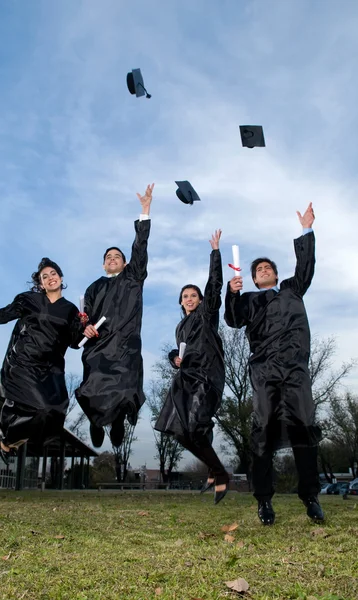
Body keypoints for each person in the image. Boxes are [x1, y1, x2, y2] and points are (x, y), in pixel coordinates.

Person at [225, 203, 323, 524]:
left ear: (277, 275)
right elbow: (232, 319)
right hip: (264, 373)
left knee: (304, 430)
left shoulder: (293, 291)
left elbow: (306, 264)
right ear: (253, 279)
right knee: (263, 434)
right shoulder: (250, 301)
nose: (264, 270)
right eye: (258, 270)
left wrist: (306, 230)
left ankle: (310, 496)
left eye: (268, 267)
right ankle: (264, 501)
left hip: (296, 372)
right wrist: (231, 292)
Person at [0, 258, 93, 464]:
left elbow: (75, 343)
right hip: (24, 363)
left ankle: (15, 439)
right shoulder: (28, 300)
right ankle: (7, 437)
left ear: (61, 277)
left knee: (55, 411)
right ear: (40, 284)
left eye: (53, 274)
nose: (50, 278)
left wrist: (84, 327)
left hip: (51, 369)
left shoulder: (70, 310)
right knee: (39, 407)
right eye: (45, 277)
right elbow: (1, 316)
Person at [75, 184, 154, 448]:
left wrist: (145, 211)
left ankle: (118, 420)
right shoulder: (94, 287)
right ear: (103, 263)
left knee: (124, 390)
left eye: (117, 256)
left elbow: (140, 249)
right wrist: (84, 329)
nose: (112, 258)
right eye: (108, 256)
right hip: (99, 346)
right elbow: (83, 319)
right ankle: (96, 421)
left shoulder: (133, 278)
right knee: (91, 389)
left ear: (124, 262)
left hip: (127, 346)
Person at [155, 230, 229, 505]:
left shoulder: (206, 315)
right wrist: (174, 357)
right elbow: (180, 351)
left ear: (199, 300)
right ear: (180, 302)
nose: (189, 298)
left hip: (207, 376)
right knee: (176, 429)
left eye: (193, 295)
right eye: (185, 295)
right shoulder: (180, 327)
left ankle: (220, 473)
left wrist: (215, 253)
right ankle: (213, 467)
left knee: (196, 427)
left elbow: (215, 285)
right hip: (185, 379)